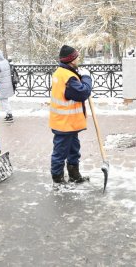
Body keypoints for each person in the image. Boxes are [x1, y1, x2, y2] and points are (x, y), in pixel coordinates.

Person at [49, 45, 92, 185]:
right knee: (60, 152)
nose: (79, 58)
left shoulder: (62, 72)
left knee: (74, 150)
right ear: (72, 60)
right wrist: (86, 77)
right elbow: (83, 93)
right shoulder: (68, 77)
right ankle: (58, 180)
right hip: (64, 124)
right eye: (77, 56)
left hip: (68, 122)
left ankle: (74, 175)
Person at [0, 49, 15, 123]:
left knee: (3, 99)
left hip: (3, 84)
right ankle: (8, 114)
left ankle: (9, 114)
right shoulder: (5, 62)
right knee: (4, 99)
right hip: (8, 83)